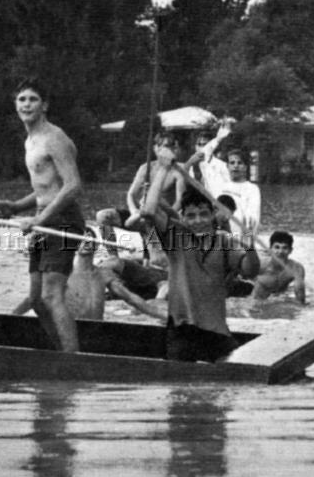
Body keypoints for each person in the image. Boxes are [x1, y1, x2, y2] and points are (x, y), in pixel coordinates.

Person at [0, 78, 84, 352]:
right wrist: (15, 207)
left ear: (45, 106)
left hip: (62, 222)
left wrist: (39, 220)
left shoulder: (55, 138)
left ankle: (73, 361)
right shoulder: (31, 140)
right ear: (16, 106)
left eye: (33, 99)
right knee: (37, 300)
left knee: (52, 296)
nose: (26, 104)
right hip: (44, 222)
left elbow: (73, 186)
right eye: (22, 100)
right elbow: (44, 190)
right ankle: (59, 352)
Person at [140, 146, 260, 363]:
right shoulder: (176, 237)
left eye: (204, 214)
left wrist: (250, 246)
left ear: (213, 215)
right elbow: (148, 211)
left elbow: (251, 270)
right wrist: (162, 169)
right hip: (182, 329)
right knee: (180, 392)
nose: (199, 221)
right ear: (183, 218)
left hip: (217, 332)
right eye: (192, 216)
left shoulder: (225, 241)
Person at [13, 228, 166, 321]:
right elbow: (34, 297)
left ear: (96, 245)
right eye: (81, 238)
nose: (86, 241)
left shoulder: (104, 274)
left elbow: (132, 299)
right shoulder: (63, 273)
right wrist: (12, 317)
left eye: (89, 237)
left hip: (95, 331)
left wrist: (163, 316)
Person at [95, 130, 184, 268]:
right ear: (156, 148)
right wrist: (134, 211)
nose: (166, 150)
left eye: (170, 146)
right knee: (103, 216)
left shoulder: (177, 172)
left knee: (147, 218)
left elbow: (179, 202)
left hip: (161, 217)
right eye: (163, 146)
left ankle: (153, 257)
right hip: (139, 214)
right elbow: (131, 194)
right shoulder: (146, 168)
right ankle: (113, 257)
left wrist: (165, 212)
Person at [215, 148, 261, 238]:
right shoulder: (220, 187)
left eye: (239, 163)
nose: (236, 166)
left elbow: (254, 219)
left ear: (245, 167)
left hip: (241, 238)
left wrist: (246, 239)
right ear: (227, 166)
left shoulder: (252, 189)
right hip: (222, 235)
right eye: (232, 163)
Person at [252, 231, 306, 304]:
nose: (280, 251)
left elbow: (300, 297)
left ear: (290, 250)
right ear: (270, 249)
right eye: (277, 247)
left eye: (285, 248)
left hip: (278, 298)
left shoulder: (296, 268)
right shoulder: (261, 265)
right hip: (256, 301)